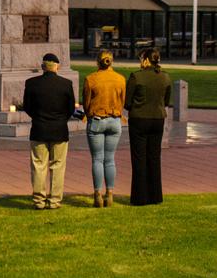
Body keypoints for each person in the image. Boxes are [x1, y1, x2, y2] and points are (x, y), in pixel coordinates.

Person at [22, 53, 76, 210]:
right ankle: (54, 200)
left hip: (39, 128)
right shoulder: (66, 84)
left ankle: (39, 200)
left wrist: (38, 117)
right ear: (57, 67)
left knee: (39, 165)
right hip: (59, 129)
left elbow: (27, 106)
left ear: (42, 67)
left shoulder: (31, 83)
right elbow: (71, 108)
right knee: (58, 166)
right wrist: (61, 119)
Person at [125, 48, 172, 206]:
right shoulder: (165, 77)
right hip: (158, 119)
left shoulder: (136, 77)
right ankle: (155, 195)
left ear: (145, 60)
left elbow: (127, 102)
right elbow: (166, 101)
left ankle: (140, 197)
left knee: (139, 158)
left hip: (139, 119)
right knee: (154, 157)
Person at [82, 50, 126, 208]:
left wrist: (88, 114)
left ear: (97, 62)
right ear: (111, 61)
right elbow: (122, 101)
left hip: (97, 120)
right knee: (110, 159)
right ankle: (110, 193)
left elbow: (86, 103)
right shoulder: (120, 79)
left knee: (97, 159)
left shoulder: (90, 79)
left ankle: (97, 194)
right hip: (114, 120)